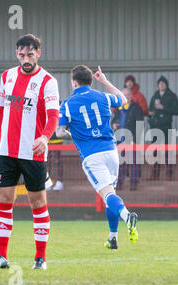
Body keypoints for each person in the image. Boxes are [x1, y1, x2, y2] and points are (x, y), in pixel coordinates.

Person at [0, 34, 60, 271]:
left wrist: (45, 137)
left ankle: (40, 258)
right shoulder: (7, 76)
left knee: (37, 203)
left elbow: (53, 116)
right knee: (4, 201)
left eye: (30, 54)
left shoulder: (48, 81)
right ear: (16, 53)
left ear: (39, 53)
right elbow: (0, 112)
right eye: (21, 54)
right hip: (6, 151)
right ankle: (2, 256)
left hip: (33, 152)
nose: (26, 59)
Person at [56, 65, 138, 250]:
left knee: (108, 195)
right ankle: (113, 237)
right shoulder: (102, 96)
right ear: (91, 81)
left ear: (74, 82)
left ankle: (127, 216)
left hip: (92, 156)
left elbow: (59, 132)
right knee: (111, 195)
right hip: (111, 152)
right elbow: (124, 99)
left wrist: (73, 134)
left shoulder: (68, 104)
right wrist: (106, 82)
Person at [147, 76, 178, 180]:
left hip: (166, 126)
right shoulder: (155, 95)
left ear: (166, 84)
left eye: (163, 83)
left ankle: (169, 173)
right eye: (160, 83)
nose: (161, 85)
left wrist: (164, 108)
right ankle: (155, 174)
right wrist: (150, 114)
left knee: (167, 150)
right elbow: (150, 108)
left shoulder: (171, 96)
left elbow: (176, 110)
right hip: (155, 127)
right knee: (155, 151)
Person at [113, 88, 144, 191]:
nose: (126, 97)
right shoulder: (119, 108)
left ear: (131, 96)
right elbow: (114, 119)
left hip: (131, 141)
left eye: (127, 95)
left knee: (133, 163)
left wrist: (134, 140)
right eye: (124, 95)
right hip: (120, 140)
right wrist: (114, 124)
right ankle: (119, 183)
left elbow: (140, 125)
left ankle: (133, 184)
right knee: (120, 163)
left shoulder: (137, 109)